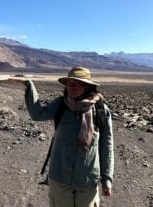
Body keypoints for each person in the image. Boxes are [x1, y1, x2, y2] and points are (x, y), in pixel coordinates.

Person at [9, 66, 114, 207]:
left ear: (88, 87)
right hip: (59, 178)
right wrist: (29, 85)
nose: (72, 86)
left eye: (77, 83)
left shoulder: (101, 111)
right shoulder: (61, 104)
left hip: (87, 180)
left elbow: (106, 145)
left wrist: (107, 179)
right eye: (69, 83)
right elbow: (38, 114)